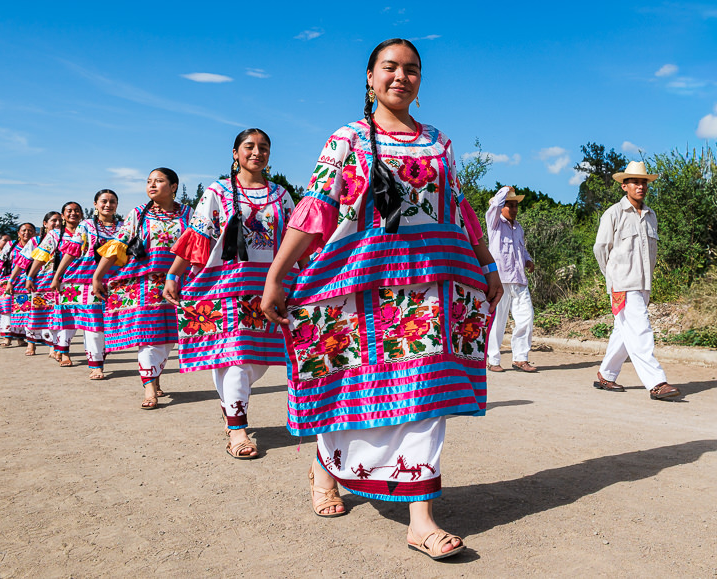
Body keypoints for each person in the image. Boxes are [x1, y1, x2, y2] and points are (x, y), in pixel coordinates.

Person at [261, 39, 503, 560]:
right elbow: (317, 206)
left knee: (425, 394)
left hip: (432, 286)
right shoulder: (347, 139)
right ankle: (326, 466)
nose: (401, 77)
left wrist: (486, 263)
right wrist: (277, 275)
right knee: (350, 382)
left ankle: (421, 519)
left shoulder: (439, 142)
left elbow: (458, 206)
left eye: (411, 69)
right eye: (389, 68)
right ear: (369, 78)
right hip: (358, 285)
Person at [164, 129, 297, 458]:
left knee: (255, 362)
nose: (257, 152)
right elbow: (198, 235)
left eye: (263, 147)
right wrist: (173, 274)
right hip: (224, 286)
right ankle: (238, 431)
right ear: (235, 153)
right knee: (237, 358)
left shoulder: (282, 195)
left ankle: (230, 406)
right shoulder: (217, 191)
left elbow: (296, 238)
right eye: (249, 146)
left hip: (267, 287)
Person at [93, 168, 193, 409]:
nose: (152, 185)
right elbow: (118, 245)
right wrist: (98, 276)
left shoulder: (189, 214)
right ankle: (149, 387)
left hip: (180, 283)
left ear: (174, 186)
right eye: (149, 181)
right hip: (145, 285)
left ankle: (155, 375)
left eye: (159, 181)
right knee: (149, 335)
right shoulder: (138, 214)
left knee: (168, 337)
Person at [592, 161, 680, 400]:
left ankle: (606, 374)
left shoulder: (651, 216)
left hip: (643, 285)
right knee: (641, 330)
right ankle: (656, 382)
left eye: (644, 182)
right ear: (624, 186)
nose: (640, 186)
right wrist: (612, 276)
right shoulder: (613, 213)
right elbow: (601, 249)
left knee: (624, 331)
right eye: (635, 182)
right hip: (623, 284)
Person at [52, 190, 122, 379]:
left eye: (112, 202)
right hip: (86, 281)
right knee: (94, 325)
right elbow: (72, 251)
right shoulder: (87, 225)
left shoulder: (124, 227)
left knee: (111, 324)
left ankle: (99, 356)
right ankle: (96, 365)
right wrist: (57, 276)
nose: (108, 205)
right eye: (104, 201)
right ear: (95, 204)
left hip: (116, 282)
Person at [484, 186, 537, 372]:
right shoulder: (495, 223)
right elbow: (494, 206)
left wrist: (528, 260)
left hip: (519, 279)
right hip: (500, 280)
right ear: (502, 207)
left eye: (516, 206)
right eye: (510, 205)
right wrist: (505, 189)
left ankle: (520, 358)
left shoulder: (518, 227)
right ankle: (493, 360)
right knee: (497, 321)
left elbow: (521, 249)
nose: (514, 209)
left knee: (526, 318)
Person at [27, 202, 83, 361]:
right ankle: (60, 350)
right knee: (58, 316)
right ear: (63, 215)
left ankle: (59, 346)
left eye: (77, 211)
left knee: (75, 319)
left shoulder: (87, 231)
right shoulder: (55, 234)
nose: (73, 213)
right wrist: (30, 276)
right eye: (69, 211)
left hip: (81, 280)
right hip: (57, 281)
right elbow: (41, 255)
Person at [7, 211, 62, 356]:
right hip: (38, 283)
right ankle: (31, 344)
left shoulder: (66, 239)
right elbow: (22, 262)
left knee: (55, 315)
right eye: (54, 220)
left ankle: (53, 347)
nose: (57, 223)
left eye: (59, 220)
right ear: (45, 224)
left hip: (57, 283)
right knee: (35, 313)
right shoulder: (35, 241)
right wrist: (11, 281)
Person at [0, 223, 36, 347]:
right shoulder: (11, 245)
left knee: (23, 309)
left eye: (30, 230)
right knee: (6, 310)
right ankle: (7, 337)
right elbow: (0, 262)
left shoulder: (37, 245)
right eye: (24, 230)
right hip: (7, 281)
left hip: (27, 282)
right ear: (18, 233)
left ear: (34, 233)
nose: (27, 233)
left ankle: (20, 337)